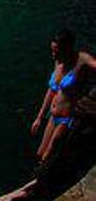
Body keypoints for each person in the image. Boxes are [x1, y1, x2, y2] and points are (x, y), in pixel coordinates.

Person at [31, 30, 96, 162]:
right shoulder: (59, 62)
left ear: (67, 49)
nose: (53, 55)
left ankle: (42, 181)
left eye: (57, 51)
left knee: (47, 157)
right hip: (53, 116)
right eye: (52, 51)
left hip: (66, 119)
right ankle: (39, 178)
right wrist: (39, 117)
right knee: (40, 154)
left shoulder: (81, 60)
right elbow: (51, 90)